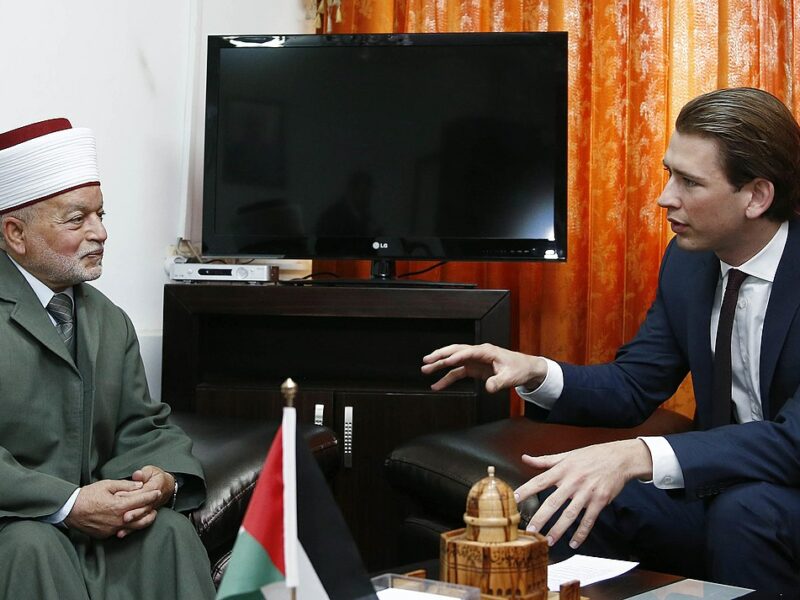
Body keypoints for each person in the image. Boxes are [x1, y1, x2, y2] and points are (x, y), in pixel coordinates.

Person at [421, 87, 800, 593]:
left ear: (756, 195)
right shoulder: (688, 263)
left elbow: (794, 440)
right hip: (727, 486)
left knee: (744, 511)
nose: (666, 196)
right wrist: (535, 370)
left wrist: (638, 455)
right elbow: (634, 384)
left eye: (690, 182)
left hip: (774, 496)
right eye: (670, 173)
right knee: (580, 497)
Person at [0, 118, 215, 599]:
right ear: (15, 233)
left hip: (91, 529)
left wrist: (159, 481)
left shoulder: (107, 320)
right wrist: (68, 503)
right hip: (13, 524)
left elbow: (140, 426)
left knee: (168, 534)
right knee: (32, 545)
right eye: (77, 220)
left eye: (100, 215)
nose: (100, 233)